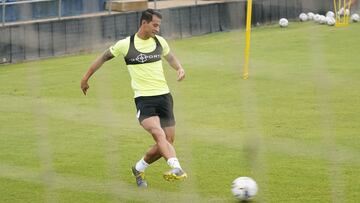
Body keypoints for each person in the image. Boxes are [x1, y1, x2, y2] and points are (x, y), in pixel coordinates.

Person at [80, 9, 187, 188]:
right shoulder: (126, 44)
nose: (157, 29)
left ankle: (138, 168)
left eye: (159, 26)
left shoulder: (160, 42)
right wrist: (85, 77)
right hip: (144, 100)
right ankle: (176, 167)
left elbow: (170, 57)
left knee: (167, 143)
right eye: (155, 25)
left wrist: (179, 68)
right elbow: (103, 58)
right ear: (144, 23)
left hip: (164, 97)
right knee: (158, 134)